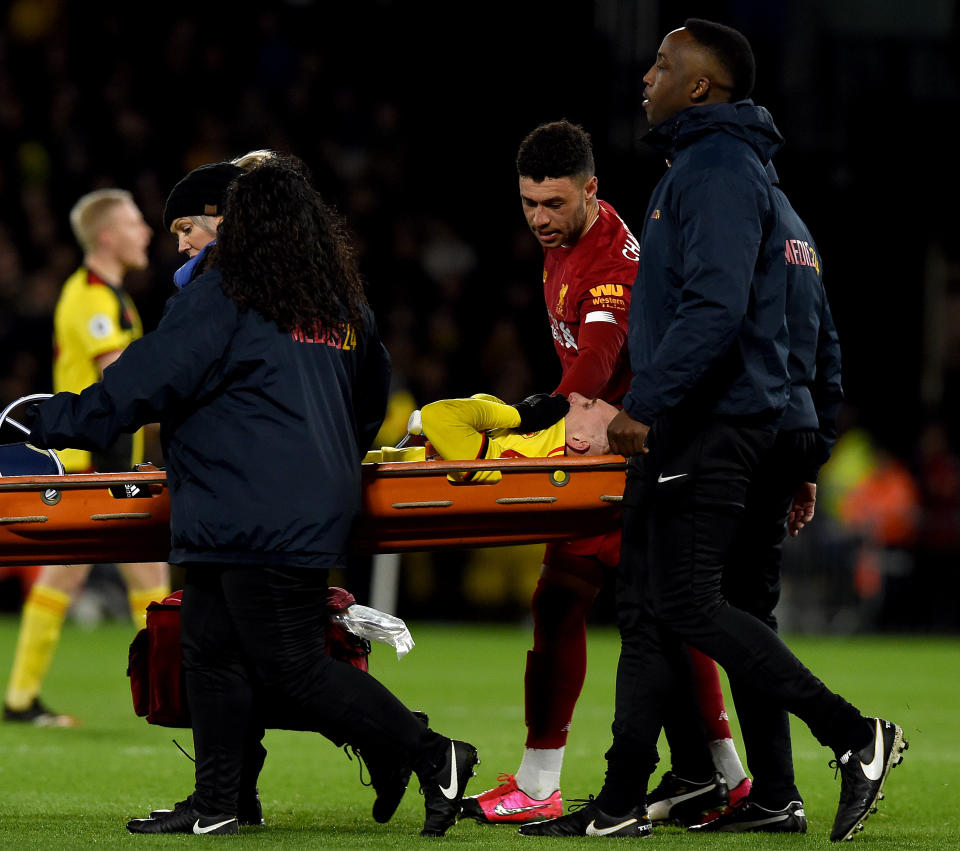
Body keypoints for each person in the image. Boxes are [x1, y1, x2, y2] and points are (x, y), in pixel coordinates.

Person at [520, 20, 906, 843]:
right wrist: (807, 443)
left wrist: (645, 405)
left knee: (670, 602)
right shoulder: (771, 192)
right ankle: (767, 792)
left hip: (709, 422)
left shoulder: (713, 172)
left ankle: (851, 734)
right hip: (767, 423)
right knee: (728, 610)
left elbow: (715, 308)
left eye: (662, 64)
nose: (647, 76)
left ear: (700, 86)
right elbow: (818, 331)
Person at [26, 155, 479, 838]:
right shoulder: (338, 302)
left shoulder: (225, 291)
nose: (179, 244)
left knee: (291, 666)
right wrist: (321, 457)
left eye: (187, 227)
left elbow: (143, 383)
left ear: (229, 221)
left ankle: (431, 752)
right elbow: (369, 399)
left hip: (252, 501)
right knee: (208, 648)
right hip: (275, 499)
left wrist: (41, 420)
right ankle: (221, 802)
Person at [461, 119, 749, 826]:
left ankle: (709, 775)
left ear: (592, 189)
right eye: (529, 202)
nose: (538, 218)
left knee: (650, 613)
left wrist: (544, 411)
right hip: (604, 453)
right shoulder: (568, 241)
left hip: (629, 463)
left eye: (554, 204)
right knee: (609, 608)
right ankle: (725, 775)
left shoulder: (614, 263)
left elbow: (597, 352)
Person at [3, 189, 170, 727]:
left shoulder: (106, 295)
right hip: (94, 464)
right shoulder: (93, 298)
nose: (146, 231)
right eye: (133, 222)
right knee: (146, 575)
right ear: (107, 236)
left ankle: (22, 700)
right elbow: (121, 379)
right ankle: (170, 693)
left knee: (79, 579)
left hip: (94, 462)